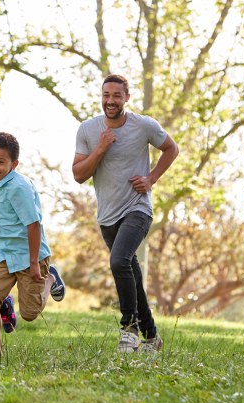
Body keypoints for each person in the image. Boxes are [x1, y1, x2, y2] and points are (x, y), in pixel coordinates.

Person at [72, 74, 179, 353]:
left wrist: (151, 178)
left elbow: (171, 148)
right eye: (106, 94)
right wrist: (101, 148)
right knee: (131, 272)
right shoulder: (88, 130)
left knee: (119, 261)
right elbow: (78, 175)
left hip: (138, 208)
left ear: (126, 98)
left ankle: (128, 327)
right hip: (107, 215)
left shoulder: (143, 125)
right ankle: (152, 337)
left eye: (117, 95)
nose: (110, 100)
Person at [0, 132, 66, 359]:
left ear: (14, 164)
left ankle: (50, 277)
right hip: (5, 254)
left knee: (30, 313)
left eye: (0, 161)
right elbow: (10, 225)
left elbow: (33, 226)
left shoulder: (18, 187)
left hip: (29, 255)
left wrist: (34, 263)